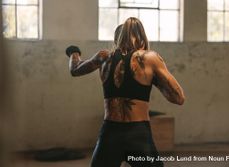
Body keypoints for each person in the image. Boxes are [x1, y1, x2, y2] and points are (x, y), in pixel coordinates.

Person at [67, 17, 185, 167]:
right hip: (138, 133)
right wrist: (155, 81)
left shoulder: (103, 57)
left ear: (117, 39)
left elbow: (75, 69)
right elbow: (179, 97)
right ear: (142, 37)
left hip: (110, 133)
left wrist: (73, 51)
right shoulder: (150, 58)